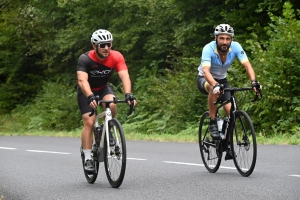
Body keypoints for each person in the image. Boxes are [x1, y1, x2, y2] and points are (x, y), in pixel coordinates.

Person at [196, 24, 260, 160]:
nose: (224, 42)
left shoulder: (236, 47)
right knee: (214, 89)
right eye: (221, 38)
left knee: (231, 112)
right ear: (216, 38)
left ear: (231, 40)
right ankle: (213, 121)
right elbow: (206, 71)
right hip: (205, 79)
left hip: (222, 80)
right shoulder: (208, 48)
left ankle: (227, 144)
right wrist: (215, 85)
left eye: (227, 39)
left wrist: (254, 82)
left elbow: (247, 65)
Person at [77, 29, 137, 172]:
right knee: (89, 122)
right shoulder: (85, 59)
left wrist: (128, 94)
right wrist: (90, 96)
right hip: (87, 90)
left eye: (108, 44)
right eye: (102, 45)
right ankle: (88, 158)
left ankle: (107, 128)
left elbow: (124, 76)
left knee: (112, 103)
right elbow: (82, 80)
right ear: (94, 46)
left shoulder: (116, 56)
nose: (106, 48)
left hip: (103, 88)